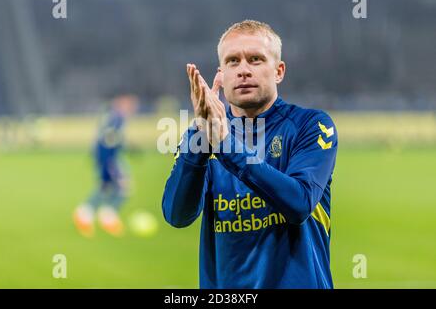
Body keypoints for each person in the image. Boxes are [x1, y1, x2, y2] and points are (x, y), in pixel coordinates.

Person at [162, 20, 338, 288]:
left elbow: (299, 202)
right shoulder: (203, 136)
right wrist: (201, 132)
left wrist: (224, 143)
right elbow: (177, 215)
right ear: (221, 74)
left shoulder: (311, 126)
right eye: (233, 61)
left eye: (255, 59)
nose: (243, 70)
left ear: (278, 71)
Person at [74, 94, 138, 237]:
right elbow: (107, 141)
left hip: (108, 158)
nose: (133, 108)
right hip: (110, 159)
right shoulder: (117, 118)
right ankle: (97, 214)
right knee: (120, 187)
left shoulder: (112, 117)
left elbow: (109, 139)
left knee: (109, 187)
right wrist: (107, 163)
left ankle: (96, 215)